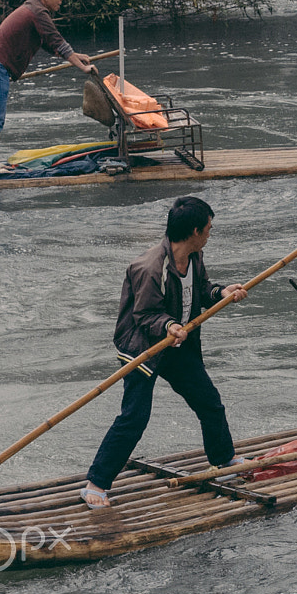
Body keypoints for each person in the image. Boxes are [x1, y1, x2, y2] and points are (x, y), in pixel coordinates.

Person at [81, 197, 248, 508]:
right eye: (209, 229)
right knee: (134, 418)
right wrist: (170, 325)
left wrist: (222, 293)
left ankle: (223, 460)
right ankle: (96, 483)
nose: (211, 234)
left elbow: (202, 289)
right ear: (194, 230)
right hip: (144, 348)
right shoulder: (149, 267)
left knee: (209, 402)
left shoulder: (195, 256)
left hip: (179, 344)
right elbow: (144, 316)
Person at [0, 0, 98, 173]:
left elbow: (50, 45)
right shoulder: (38, 11)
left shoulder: (33, 9)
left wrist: (77, 57)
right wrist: (83, 68)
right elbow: (57, 40)